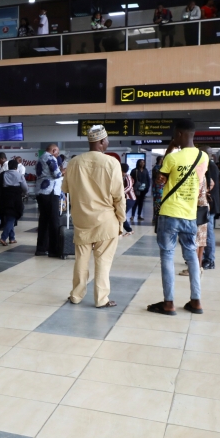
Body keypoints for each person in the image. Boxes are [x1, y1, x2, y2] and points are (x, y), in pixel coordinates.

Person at [148, 119, 207, 316]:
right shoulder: (203, 157)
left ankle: (169, 303)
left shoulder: (172, 158)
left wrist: (170, 148)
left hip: (170, 214)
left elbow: (160, 179)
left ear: (180, 134)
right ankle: (196, 301)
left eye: (175, 134)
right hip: (190, 215)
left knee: (167, 255)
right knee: (192, 256)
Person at [62, 125, 125, 308]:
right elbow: (119, 196)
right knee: (103, 261)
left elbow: (66, 189)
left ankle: (76, 295)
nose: (108, 142)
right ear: (101, 142)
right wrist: (121, 220)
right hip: (105, 220)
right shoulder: (111, 163)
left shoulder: (74, 163)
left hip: (81, 220)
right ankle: (101, 299)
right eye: (107, 139)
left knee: (81, 260)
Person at [35, 144, 63, 256]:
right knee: (54, 221)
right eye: (57, 152)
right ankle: (54, 250)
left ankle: (41, 248)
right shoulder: (50, 158)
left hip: (41, 191)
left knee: (44, 221)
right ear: (54, 150)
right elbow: (57, 174)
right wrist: (64, 171)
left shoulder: (41, 158)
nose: (58, 155)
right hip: (50, 192)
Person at [0, 159, 27, 245]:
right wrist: (24, 194)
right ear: (16, 167)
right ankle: (3, 238)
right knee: (12, 218)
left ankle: (12, 238)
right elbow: (25, 188)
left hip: (4, 198)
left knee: (9, 217)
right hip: (15, 199)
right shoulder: (19, 175)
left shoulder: (3, 174)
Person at [203, 150, 220, 270]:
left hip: (210, 203)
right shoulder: (206, 165)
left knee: (208, 232)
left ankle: (209, 259)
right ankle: (202, 257)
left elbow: (210, 185)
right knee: (202, 232)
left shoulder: (211, 166)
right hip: (205, 203)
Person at [121, 162, 135, 235]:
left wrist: (121, 192)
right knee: (121, 214)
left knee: (121, 214)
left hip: (130, 199)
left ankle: (129, 230)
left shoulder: (127, 176)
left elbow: (129, 187)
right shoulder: (122, 177)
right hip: (126, 199)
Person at [151, 155, 165, 229]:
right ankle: (156, 218)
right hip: (158, 188)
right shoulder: (157, 167)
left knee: (159, 203)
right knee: (157, 203)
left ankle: (157, 217)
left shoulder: (160, 167)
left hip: (160, 188)